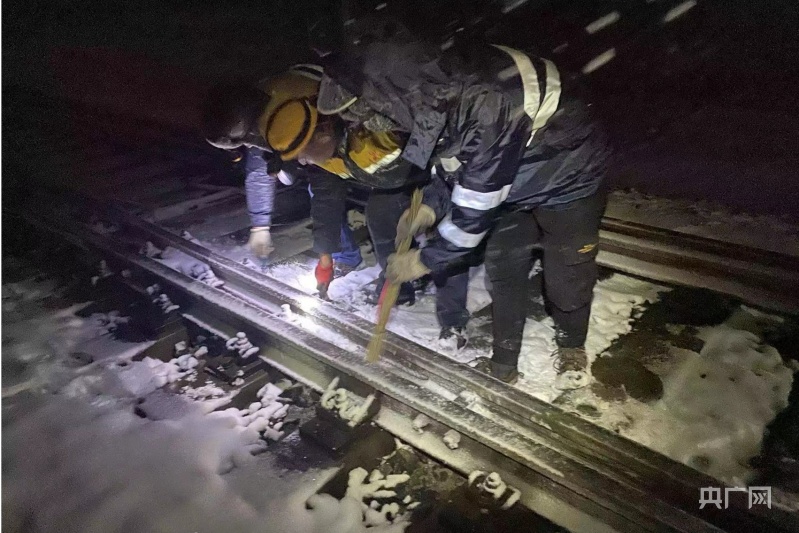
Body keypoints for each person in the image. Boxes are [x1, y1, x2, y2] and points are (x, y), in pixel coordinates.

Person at [318, 38, 611, 383]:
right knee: (504, 268)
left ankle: (572, 344)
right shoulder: (430, 98)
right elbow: (452, 166)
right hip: (512, 186)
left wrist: (422, 261)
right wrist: (429, 207)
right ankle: (504, 363)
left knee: (568, 277)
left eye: (369, 116)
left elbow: (475, 207)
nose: (369, 126)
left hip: (569, 181)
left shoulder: (485, 103)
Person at [264, 98, 471, 346]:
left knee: (446, 235)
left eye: (304, 155)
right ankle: (399, 287)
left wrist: (433, 203)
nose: (303, 161)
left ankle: (452, 320)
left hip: (439, 167)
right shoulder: (323, 157)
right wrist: (325, 255)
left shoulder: (376, 126)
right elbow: (325, 201)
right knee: (380, 214)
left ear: (322, 135)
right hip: (398, 178)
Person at [200, 65, 362, 274]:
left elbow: (322, 182)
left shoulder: (283, 109)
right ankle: (342, 256)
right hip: (321, 139)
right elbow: (260, 169)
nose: (248, 147)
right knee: (318, 190)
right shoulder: (257, 114)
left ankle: (346, 256)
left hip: (347, 132)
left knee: (325, 192)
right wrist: (260, 226)